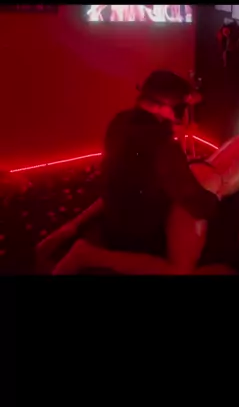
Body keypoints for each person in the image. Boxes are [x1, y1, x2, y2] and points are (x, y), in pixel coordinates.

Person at [41, 71, 222, 274]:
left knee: (126, 183)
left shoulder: (119, 121)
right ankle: (88, 255)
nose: (181, 115)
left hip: (113, 214)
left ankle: (72, 227)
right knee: (179, 270)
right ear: (161, 108)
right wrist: (218, 197)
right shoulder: (163, 147)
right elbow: (195, 201)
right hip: (136, 232)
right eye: (180, 108)